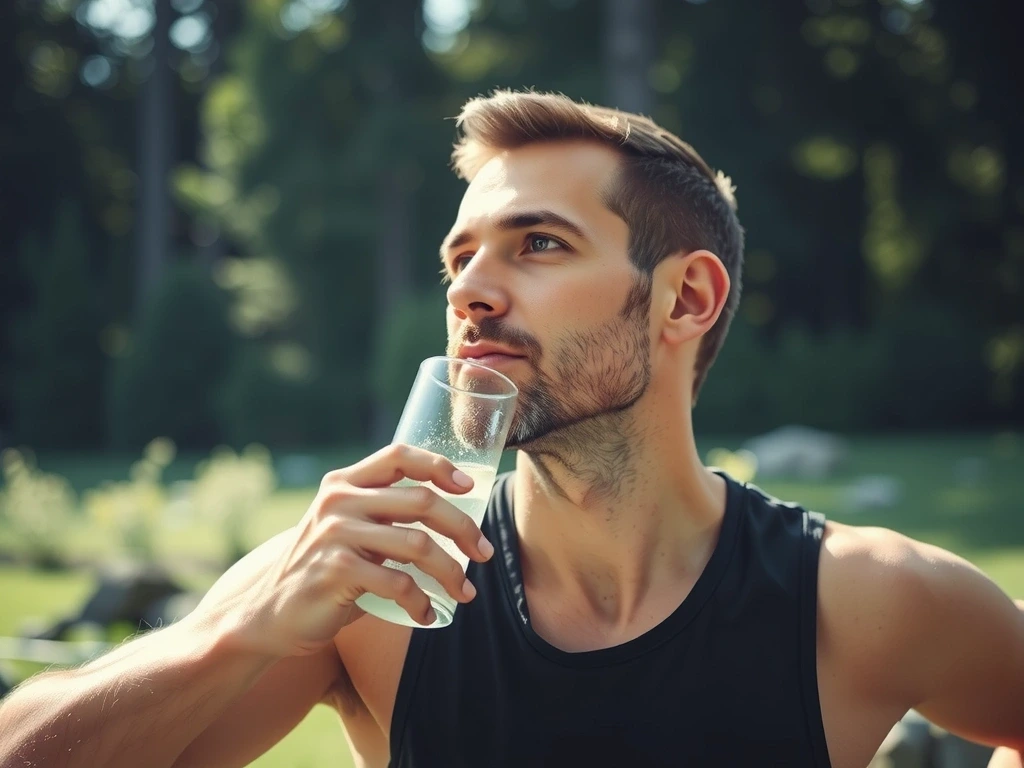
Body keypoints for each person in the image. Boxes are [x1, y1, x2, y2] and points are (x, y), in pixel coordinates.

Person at [1, 90, 1021, 768]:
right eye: (459, 259)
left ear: (684, 298)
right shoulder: (373, 596)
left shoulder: (862, 600)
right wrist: (231, 631)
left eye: (538, 244)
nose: (469, 292)